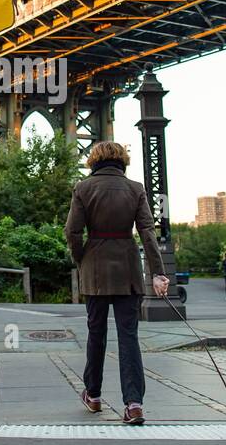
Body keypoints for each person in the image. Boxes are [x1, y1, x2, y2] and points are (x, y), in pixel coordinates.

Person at [65, 140, 167, 425]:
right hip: (128, 269)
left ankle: (94, 395)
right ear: (122, 160)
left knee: (96, 333)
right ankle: (134, 405)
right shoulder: (136, 189)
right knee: (129, 336)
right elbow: (147, 231)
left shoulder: (83, 188)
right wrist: (157, 273)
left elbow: (72, 231)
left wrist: (81, 258)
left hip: (94, 268)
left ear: (94, 160)